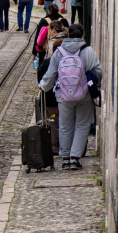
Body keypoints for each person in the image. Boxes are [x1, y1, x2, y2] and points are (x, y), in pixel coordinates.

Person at [39, 24, 102, 170]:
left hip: (63, 95)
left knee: (65, 126)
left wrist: (43, 86)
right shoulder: (88, 51)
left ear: (68, 35)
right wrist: (94, 84)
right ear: (82, 35)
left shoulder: (59, 52)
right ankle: (74, 158)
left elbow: (51, 73)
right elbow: (98, 71)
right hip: (84, 95)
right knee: (82, 125)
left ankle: (66, 158)